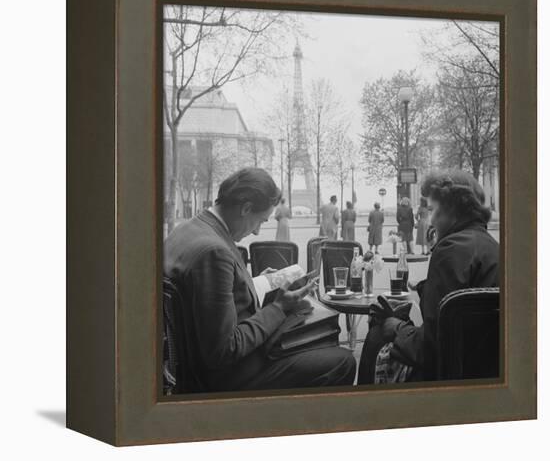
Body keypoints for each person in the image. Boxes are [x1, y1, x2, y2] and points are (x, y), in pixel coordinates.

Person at [164, 168, 356, 392]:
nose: (256, 232)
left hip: (193, 364)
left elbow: (208, 300)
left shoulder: (188, 229)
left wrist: (254, 282)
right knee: (341, 360)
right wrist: (279, 307)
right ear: (245, 208)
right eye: (260, 221)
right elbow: (224, 350)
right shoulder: (214, 252)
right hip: (227, 376)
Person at [361, 169, 499, 382]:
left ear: (453, 210)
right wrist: (426, 289)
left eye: (433, 210)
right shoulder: (492, 246)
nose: (431, 220)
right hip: (484, 369)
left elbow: (432, 348)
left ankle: (369, 408)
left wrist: (396, 327)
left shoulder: (449, 250)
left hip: (445, 373)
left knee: (377, 334)